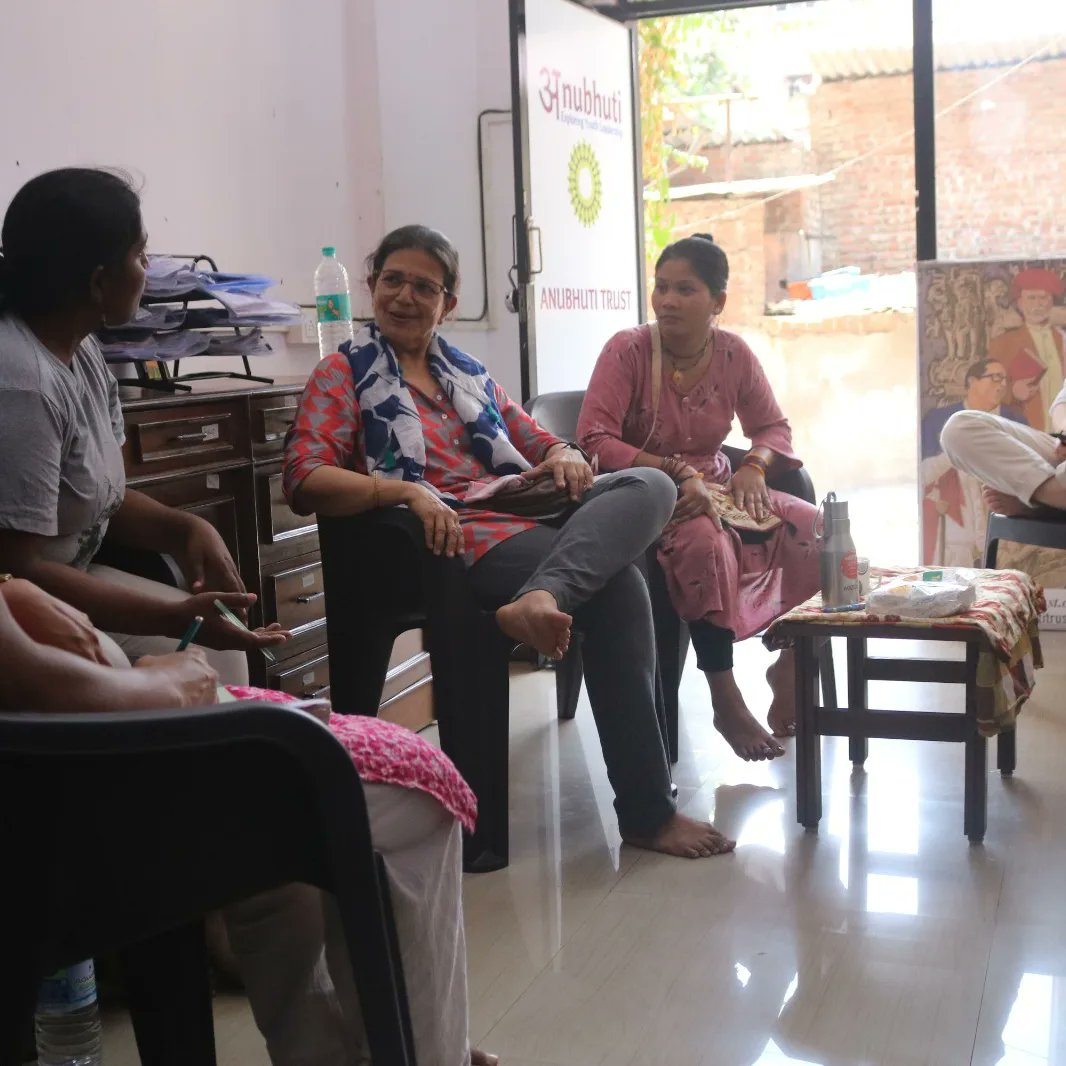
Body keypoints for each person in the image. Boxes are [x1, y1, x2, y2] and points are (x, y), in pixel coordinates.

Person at [283, 223, 735, 860]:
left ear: (450, 300)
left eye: (424, 286)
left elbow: (537, 439)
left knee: (647, 486)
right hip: (436, 540)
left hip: (523, 520)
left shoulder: (467, 375)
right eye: (392, 281)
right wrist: (406, 492)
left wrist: (567, 455)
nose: (405, 297)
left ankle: (543, 596)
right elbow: (305, 477)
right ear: (371, 285)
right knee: (621, 586)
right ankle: (647, 813)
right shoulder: (343, 376)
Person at [0, 575, 498, 1066]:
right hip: (76, 784)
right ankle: (429, 1056)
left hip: (100, 756)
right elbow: (32, 681)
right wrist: (165, 682)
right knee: (415, 799)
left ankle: (325, 1055)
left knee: (274, 813)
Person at [0, 168, 289, 682]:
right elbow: (16, 568)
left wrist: (186, 529)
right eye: (139, 254)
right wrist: (174, 615)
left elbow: (100, 496)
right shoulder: (23, 385)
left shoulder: (83, 350)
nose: (147, 268)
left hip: (72, 575)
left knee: (219, 658)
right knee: (167, 667)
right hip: (22, 601)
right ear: (97, 282)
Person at [578, 233, 820, 762]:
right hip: (651, 495)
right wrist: (673, 473)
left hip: (721, 486)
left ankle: (790, 662)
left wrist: (754, 466)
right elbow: (594, 440)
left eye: (685, 289)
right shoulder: (628, 350)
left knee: (817, 530)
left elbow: (773, 426)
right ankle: (724, 696)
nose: (666, 300)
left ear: (718, 302)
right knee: (704, 544)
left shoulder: (733, 353)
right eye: (661, 288)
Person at [920, 359, 1027, 565]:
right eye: (995, 377)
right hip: (956, 531)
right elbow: (922, 476)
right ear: (972, 381)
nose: (1002, 384)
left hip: (1006, 531)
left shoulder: (1017, 422)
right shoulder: (937, 421)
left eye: (1005, 379)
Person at [940, 375, 1066, 519]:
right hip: (1059, 454)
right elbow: (1062, 405)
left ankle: (1041, 502)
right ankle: (1046, 492)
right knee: (958, 429)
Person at [987, 268, 1066, 431]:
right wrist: (1013, 392)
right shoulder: (1003, 343)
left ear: (1052, 302)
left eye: (1043, 298)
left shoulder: (1063, 339)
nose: (1037, 305)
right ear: (1020, 303)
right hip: (1026, 435)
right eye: (1031, 298)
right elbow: (986, 388)